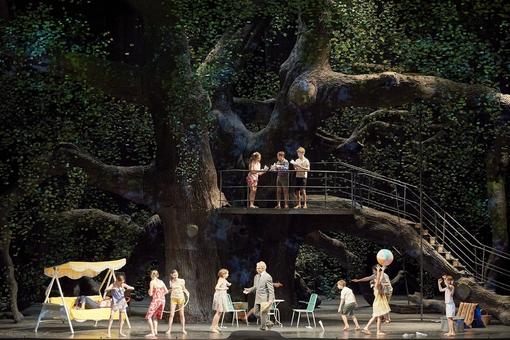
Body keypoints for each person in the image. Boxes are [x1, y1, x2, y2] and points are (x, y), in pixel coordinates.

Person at [243, 261, 275, 330]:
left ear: (263, 268)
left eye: (258, 268)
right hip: (257, 298)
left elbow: (271, 290)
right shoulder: (256, 276)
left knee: (263, 313)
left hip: (264, 299)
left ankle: (263, 327)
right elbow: (255, 286)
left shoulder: (268, 277)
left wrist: (270, 300)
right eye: (256, 268)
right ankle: (268, 323)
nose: (257, 269)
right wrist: (249, 290)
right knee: (255, 312)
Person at [361, 265, 391, 335]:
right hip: (378, 303)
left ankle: (377, 331)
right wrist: (379, 271)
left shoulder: (379, 286)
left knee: (378, 317)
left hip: (378, 303)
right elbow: (379, 279)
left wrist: (382, 270)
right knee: (377, 317)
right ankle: (367, 328)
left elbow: (380, 279)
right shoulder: (377, 286)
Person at [145, 270, 169, 337]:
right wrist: (161, 294)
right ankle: (155, 331)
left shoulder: (152, 282)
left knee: (148, 316)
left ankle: (152, 332)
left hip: (156, 301)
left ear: (151, 275)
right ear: (157, 275)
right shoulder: (161, 281)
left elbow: (151, 294)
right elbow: (166, 291)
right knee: (155, 316)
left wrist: (149, 292)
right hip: (162, 300)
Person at [166, 269, 189, 335]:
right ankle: (169, 330)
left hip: (181, 298)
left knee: (181, 314)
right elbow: (171, 290)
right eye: (174, 275)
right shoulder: (171, 281)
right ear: (172, 275)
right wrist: (165, 292)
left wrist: (187, 293)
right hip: (173, 299)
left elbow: (184, 288)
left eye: (176, 275)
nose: (175, 276)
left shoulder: (182, 281)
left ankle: (183, 329)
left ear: (178, 274)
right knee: (171, 314)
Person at [210, 268, 231, 333]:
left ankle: (216, 325)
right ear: (223, 274)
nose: (228, 275)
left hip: (222, 296)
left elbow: (227, 283)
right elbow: (216, 287)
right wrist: (224, 288)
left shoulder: (224, 279)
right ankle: (213, 327)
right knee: (218, 311)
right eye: (227, 273)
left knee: (220, 311)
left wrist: (228, 284)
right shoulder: (221, 280)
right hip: (219, 296)